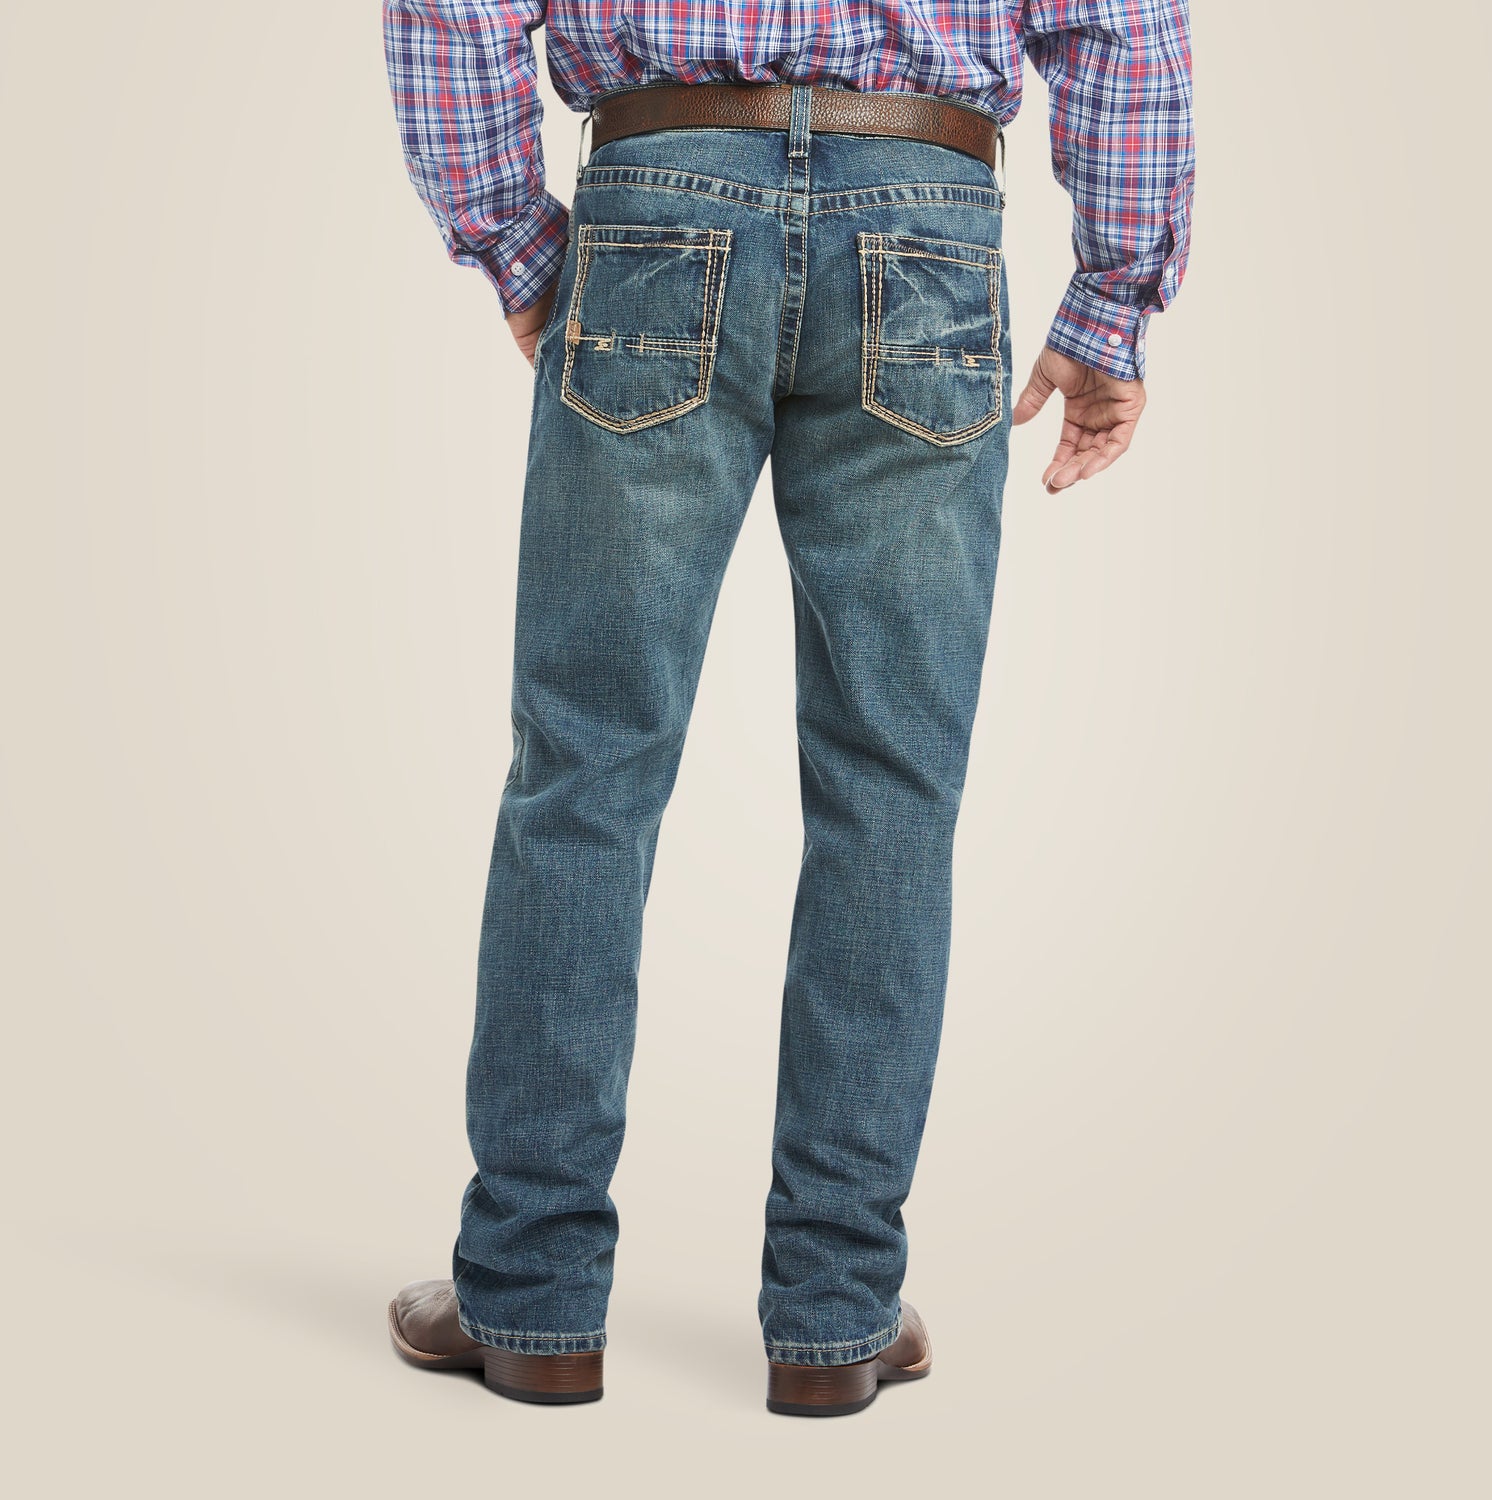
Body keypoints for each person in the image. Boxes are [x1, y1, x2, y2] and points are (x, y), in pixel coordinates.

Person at [381, 0, 1193, 1417]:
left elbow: (452, 11)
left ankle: (532, 1303)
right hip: (927, 211)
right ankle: (833, 1317)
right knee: (892, 787)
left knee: (584, 774)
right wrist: (1113, 299)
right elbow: (1122, 18)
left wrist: (515, 241)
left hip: (659, 190)